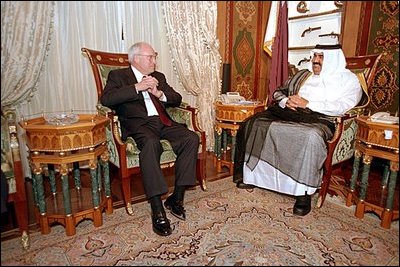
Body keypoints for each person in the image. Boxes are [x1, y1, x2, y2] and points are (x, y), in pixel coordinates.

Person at [233, 44, 362, 216]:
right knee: (253, 123)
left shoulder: (349, 80)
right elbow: (279, 92)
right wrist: (286, 101)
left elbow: (343, 107)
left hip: (322, 120)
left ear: (333, 58)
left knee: (309, 136)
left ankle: (303, 193)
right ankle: (253, 177)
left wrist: (308, 104)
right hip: (290, 113)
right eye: (314, 56)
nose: (315, 60)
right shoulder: (303, 74)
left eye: (321, 57)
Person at [100, 42, 200, 236]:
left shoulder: (159, 77)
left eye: (155, 57)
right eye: (150, 57)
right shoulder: (118, 76)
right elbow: (107, 100)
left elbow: (177, 98)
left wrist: (159, 93)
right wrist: (137, 87)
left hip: (163, 122)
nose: (154, 61)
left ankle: (176, 198)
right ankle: (157, 207)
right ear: (136, 59)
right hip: (139, 125)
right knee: (150, 144)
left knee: (191, 138)